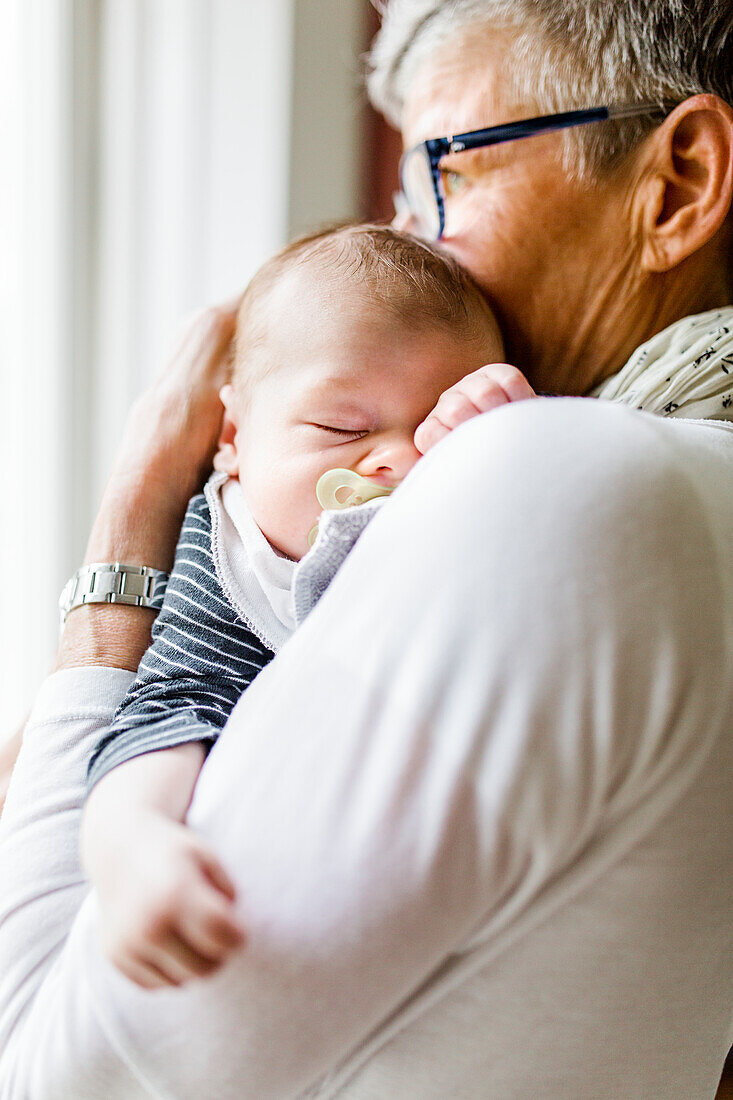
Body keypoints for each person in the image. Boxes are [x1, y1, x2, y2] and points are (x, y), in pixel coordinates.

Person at [1, 1, 732, 1096]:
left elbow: (46, 1065)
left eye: (446, 169)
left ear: (676, 182)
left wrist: (134, 511)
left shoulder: (550, 480)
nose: (409, 243)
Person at [81, 222, 530, 989]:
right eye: (340, 428)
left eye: (433, 428)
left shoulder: (448, 519)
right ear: (232, 435)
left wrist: (507, 440)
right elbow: (167, 707)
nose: (395, 458)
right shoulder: (232, 554)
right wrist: (132, 838)